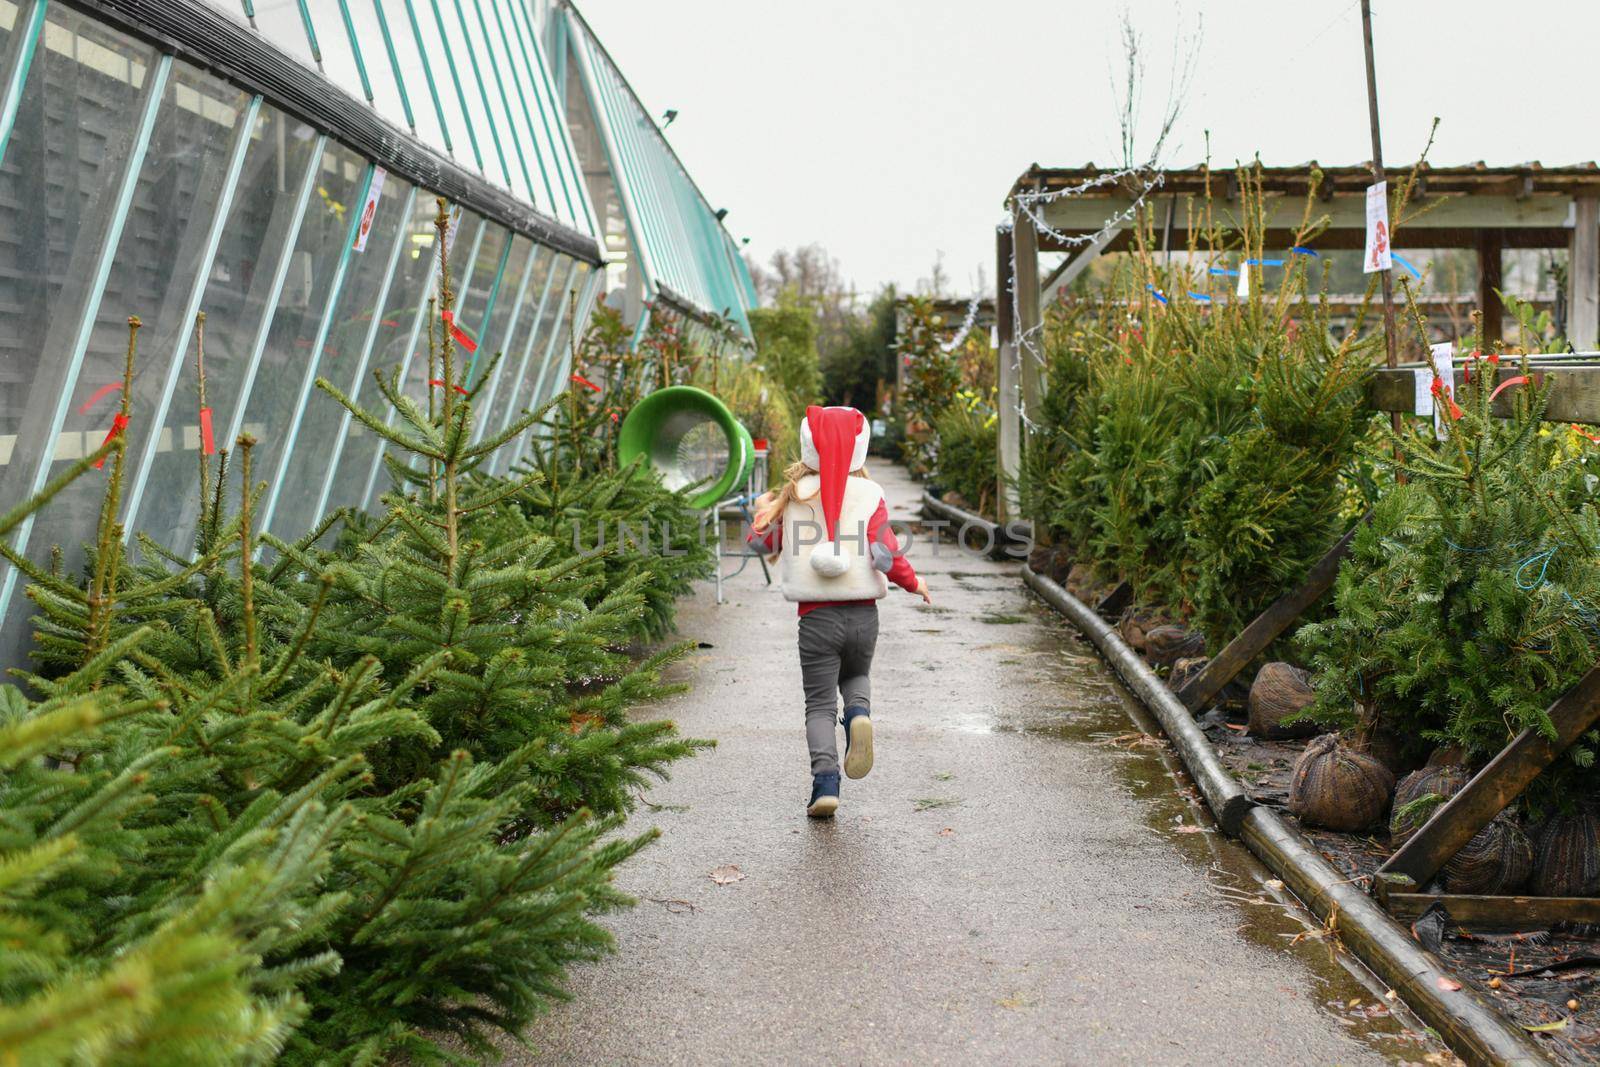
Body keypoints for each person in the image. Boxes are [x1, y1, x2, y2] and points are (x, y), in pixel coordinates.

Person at [748, 406, 931, 818]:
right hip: (864, 616)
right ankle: (860, 715)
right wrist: (915, 583)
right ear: (859, 447)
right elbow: (887, 555)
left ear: (807, 444)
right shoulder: (871, 495)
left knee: (818, 705)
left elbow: (759, 544)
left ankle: (825, 784)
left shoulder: (793, 496)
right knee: (857, 675)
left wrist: (763, 511)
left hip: (816, 619)